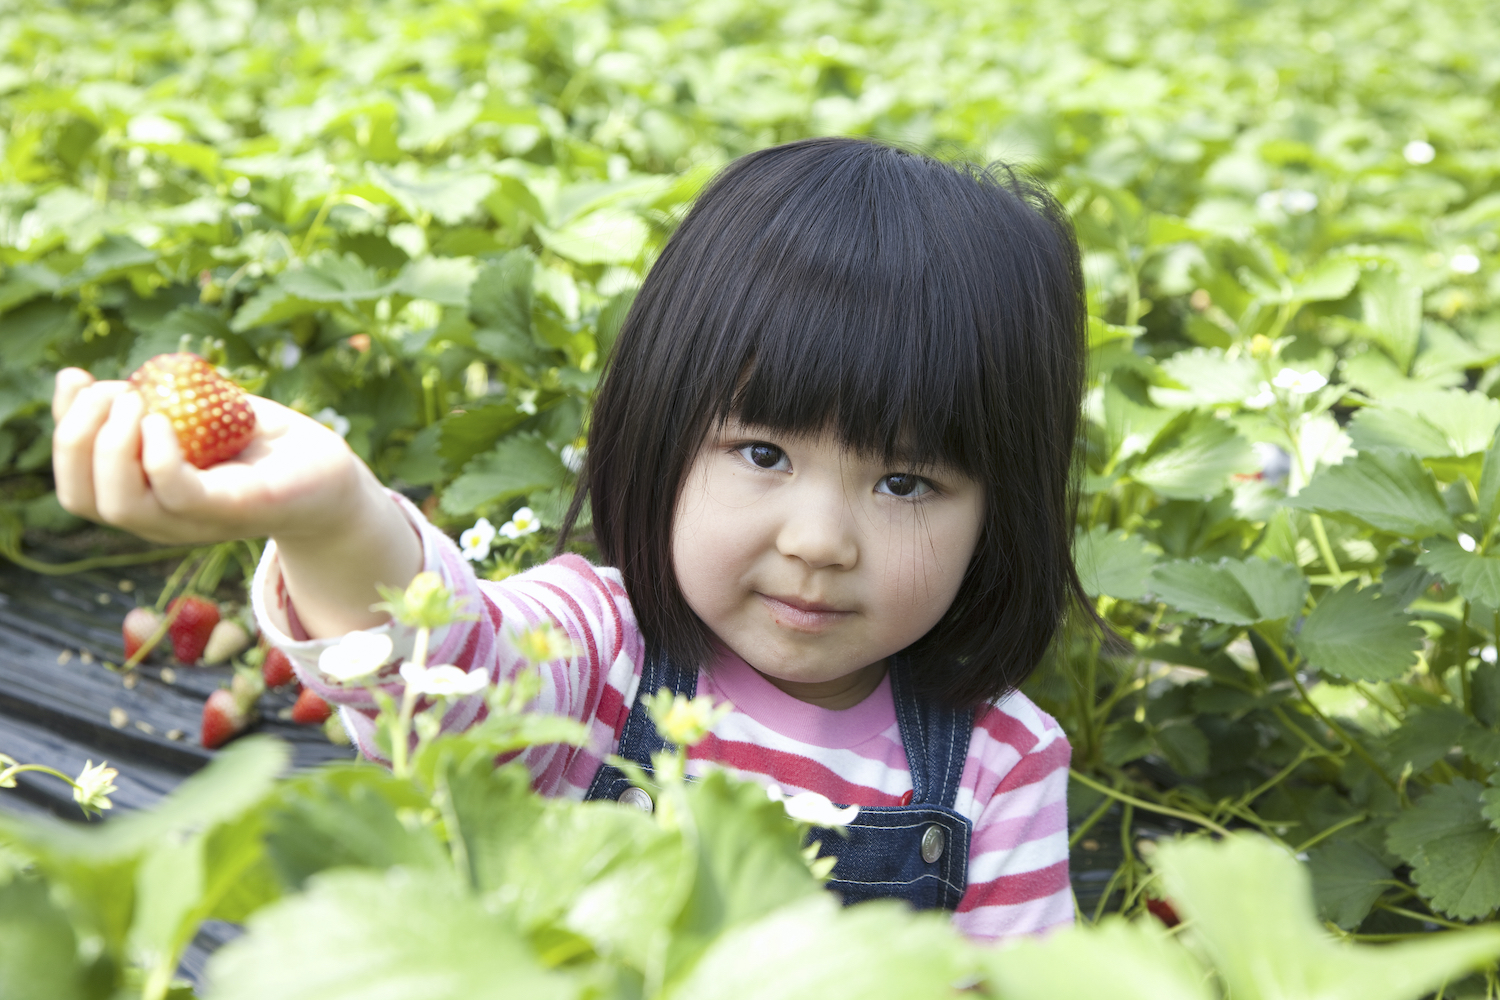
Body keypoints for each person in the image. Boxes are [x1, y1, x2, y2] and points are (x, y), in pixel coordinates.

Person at [51, 137, 1089, 941]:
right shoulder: (597, 650)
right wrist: (332, 513)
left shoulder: (995, 765)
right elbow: (444, 665)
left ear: (1002, 511)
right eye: (763, 454)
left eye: (905, 481)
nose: (820, 540)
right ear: (663, 427)